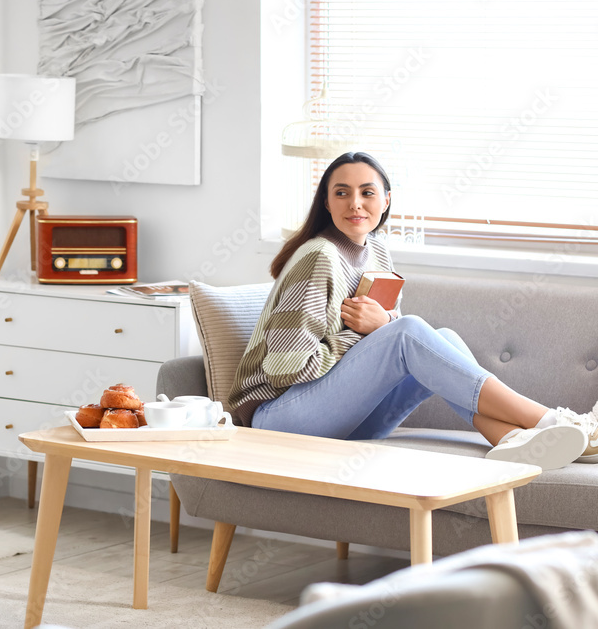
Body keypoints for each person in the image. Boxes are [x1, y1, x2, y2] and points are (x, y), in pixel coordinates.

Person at [228, 151, 598, 470]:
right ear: (327, 203)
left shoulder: (378, 252)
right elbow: (284, 369)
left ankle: (515, 441)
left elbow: (386, 338)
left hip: (346, 419)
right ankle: (555, 421)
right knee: (409, 332)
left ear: (386, 200)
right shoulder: (318, 257)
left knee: (442, 341)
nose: (355, 203)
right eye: (341, 193)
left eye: (367, 193)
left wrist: (384, 322)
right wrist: (366, 333)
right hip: (278, 421)